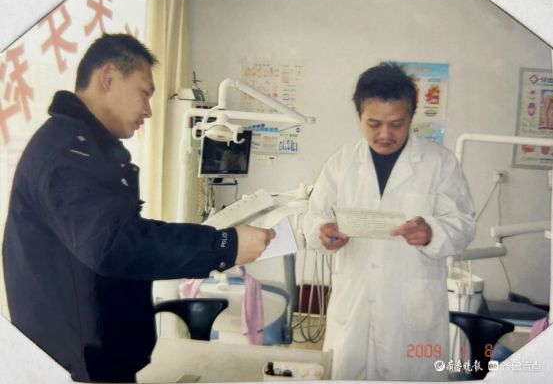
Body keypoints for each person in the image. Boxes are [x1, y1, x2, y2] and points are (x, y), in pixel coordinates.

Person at [2, 33, 275, 383]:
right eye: (144, 93)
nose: (148, 110)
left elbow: (127, 234)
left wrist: (221, 242)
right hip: (77, 367)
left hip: (97, 359)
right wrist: (225, 246)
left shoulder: (86, 149)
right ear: (108, 77)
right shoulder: (68, 154)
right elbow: (114, 246)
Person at [303, 63, 475, 381]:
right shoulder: (342, 163)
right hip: (354, 306)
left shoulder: (440, 163)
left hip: (411, 312)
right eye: (374, 124)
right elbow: (314, 216)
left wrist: (431, 233)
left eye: (397, 124)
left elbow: (463, 224)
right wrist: (322, 231)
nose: (385, 134)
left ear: (411, 117)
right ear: (359, 116)